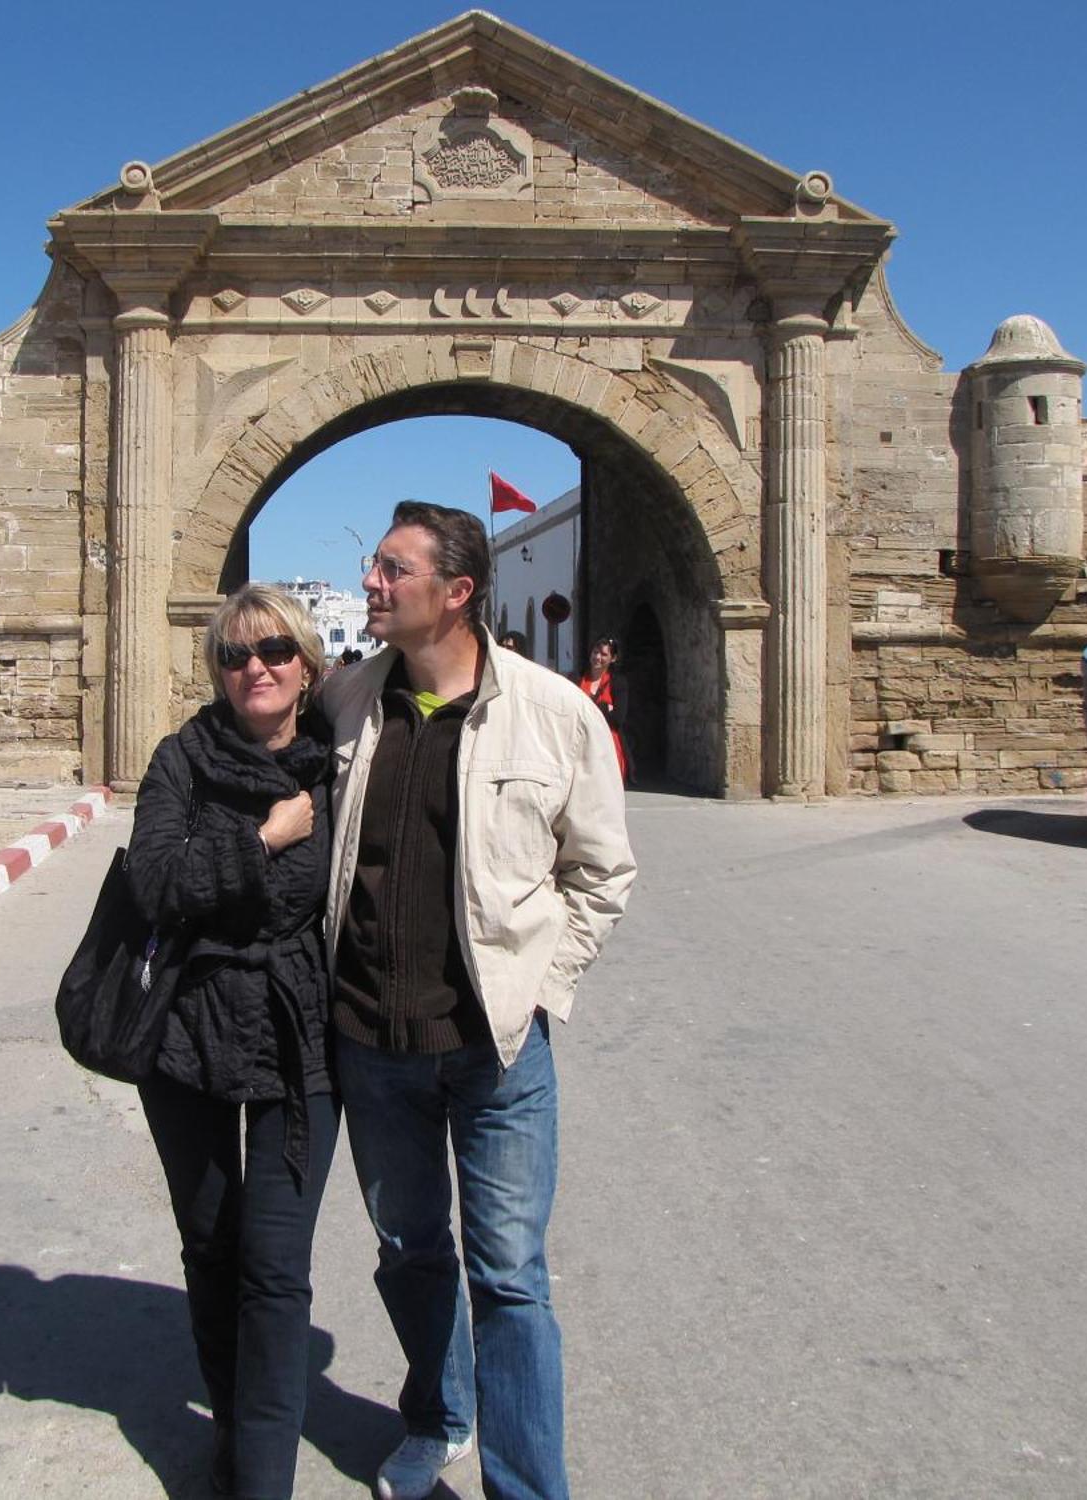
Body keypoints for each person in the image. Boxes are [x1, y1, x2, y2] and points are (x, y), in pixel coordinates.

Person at [321, 503, 637, 1500]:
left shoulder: (553, 714)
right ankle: (437, 1415)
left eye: (389, 569)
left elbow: (600, 873)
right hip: (370, 1043)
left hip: (496, 1050)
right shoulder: (344, 702)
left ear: (454, 593)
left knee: (508, 1279)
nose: (370, 582)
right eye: (371, 566)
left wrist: (544, 987)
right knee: (410, 1252)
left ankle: (525, 1487)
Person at [125, 582, 338, 1500]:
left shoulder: (340, 766)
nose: (256, 668)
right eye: (236, 654)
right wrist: (262, 840)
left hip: (301, 1040)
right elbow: (153, 882)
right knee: (212, 1249)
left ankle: (262, 1480)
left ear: (306, 665)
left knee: (274, 1268)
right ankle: (229, 1437)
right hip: (190, 1037)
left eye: (275, 651)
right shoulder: (182, 758)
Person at [576, 637, 628, 781]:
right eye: (595, 652)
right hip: (580, 747)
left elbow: (618, 719)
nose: (598, 657)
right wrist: (606, 708)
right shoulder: (577, 679)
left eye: (604, 654)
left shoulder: (618, 683)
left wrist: (594, 708)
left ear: (613, 658)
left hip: (607, 750)